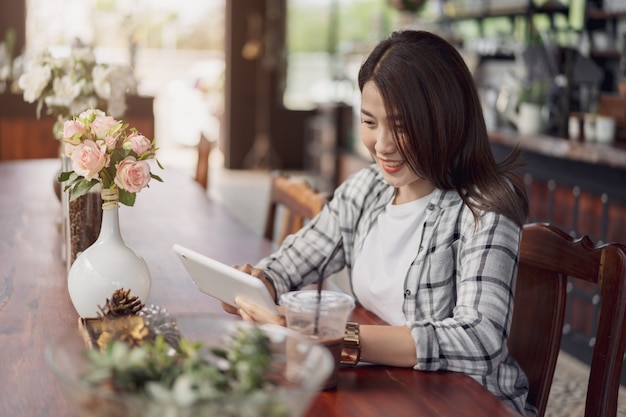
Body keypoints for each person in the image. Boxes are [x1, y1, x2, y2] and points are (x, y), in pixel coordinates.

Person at [225, 30, 534, 416]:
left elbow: (480, 339)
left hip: (464, 403)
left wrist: (342, 340)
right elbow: (297, 258)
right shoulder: (368, 186)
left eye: (402, 126)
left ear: (446, 121)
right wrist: (258, 285)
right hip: (391, 389)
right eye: (370, 122)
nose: (382, 145)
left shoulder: (484, 206)